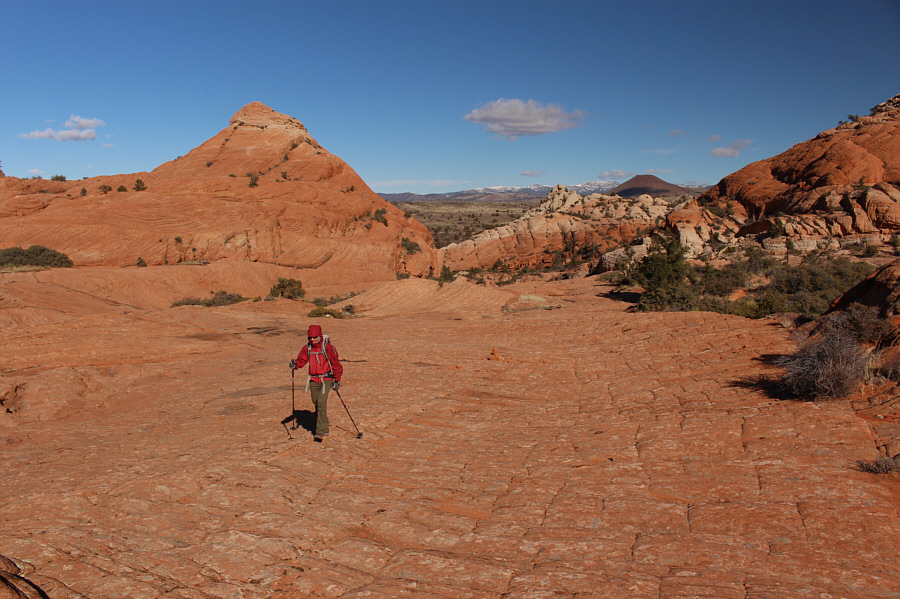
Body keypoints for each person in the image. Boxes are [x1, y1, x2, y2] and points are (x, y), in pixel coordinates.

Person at [290, 325, 343, 442]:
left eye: (314, 337)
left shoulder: (328, 348)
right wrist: (296, 365)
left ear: (319, 336)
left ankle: (320, 431)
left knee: (321, 402)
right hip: (313, 379)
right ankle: (325, 425)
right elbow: (302, 360)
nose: (312, 339)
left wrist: (337, 380)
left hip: (326, 378)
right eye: (310, 337)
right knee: (315, 401)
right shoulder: (307, 348)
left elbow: (336, 364)